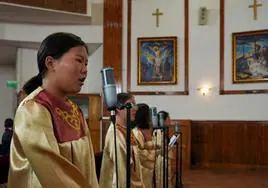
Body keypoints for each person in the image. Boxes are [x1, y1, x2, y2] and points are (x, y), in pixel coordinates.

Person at [8, 32, 99, 188]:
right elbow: (55, 176)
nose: (85, 70)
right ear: (50, 63)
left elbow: (89, 172)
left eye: (86, 64)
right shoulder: (33, 109)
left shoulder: (75, 111)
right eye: (79, 61)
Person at [99, 92, 143, 188]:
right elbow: (121, 173)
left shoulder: (127, 130)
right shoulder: (115, 134)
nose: (136, 108)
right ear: (118, 108)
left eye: (135, 104)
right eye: (131, 104)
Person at [132, 103, 158, 188]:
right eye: (148, 115)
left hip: (147, 169)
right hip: (142, 170)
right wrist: (153, 152)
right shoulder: (136, 132)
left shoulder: (144, 131)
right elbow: (139, 154)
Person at [154, 110, 175, 188]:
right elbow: (160, 147)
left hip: (165, 158)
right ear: (163, 120)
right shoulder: (159, 131)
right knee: (163, 179)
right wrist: (169, 146)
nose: (170, 120)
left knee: (167, 178)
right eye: (169, 118)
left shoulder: (164, 130)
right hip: (161, 160)